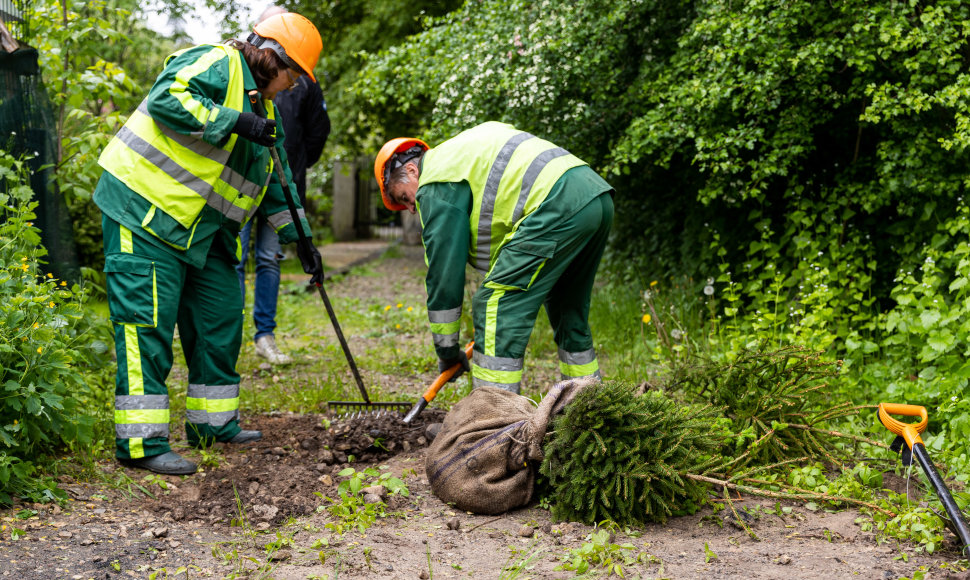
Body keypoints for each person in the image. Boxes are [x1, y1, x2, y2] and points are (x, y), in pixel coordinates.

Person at [93, 12, 325, 475]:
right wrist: (235, 120)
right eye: (295, 73)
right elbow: (167, 98)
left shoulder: (267, 110)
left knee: (220, 321)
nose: (296, 84)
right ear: (273, 57)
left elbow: (276, 181)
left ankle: (213, 424)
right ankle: (141, 444)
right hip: (144, 213)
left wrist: (302, 240)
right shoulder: (218, 62)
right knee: (147, 326)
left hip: (206, 230)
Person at [374, 122, 614, 394]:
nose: (411, 210)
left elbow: (444, 274)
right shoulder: (459, 157)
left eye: (405, 198)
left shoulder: (436, 183)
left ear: (412, 170)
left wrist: (447, 350)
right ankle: (587, 406)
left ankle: (492, 422)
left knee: (494, 305)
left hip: (557, 201)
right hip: (594, 195)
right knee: (568, 307)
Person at [236, 5, 331, 365]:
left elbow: (319, 132)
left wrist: (293, 165)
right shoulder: (239, 74)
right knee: (233, 258)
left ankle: (264, 336)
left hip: (280, 185)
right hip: (239, 185)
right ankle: (227, 335)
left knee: (269, 259)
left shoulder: (302, 82)